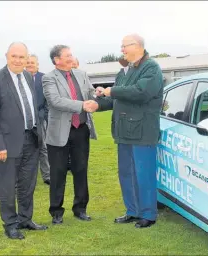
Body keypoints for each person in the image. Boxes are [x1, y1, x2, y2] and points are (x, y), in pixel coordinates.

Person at [94, 34, 164, 228]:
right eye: (122, 46)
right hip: (124, 131)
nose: (122, 49)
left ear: (138, 46)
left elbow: (141, 93)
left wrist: (111, 91)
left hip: (142, 131)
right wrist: (97, 104)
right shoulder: (124, 71)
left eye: (125, 46)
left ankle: (148, 214)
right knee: (126, 173)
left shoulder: (151, 68)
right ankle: (132, 211)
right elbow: (117, 98)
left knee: (144, 174)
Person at [0, 42, 47, 240]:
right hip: (7, 144)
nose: (19, 60)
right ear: (7, 56)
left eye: (22, 57)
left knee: (28, 184)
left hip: (31, 139)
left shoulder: (28, 76)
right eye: (15, 56)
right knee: (7, 185)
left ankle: (25, 219)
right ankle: (10, 223)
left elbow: (32, 107)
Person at [42, 45, 97, 225]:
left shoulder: (81, 74)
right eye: (67, 55)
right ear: (57, 60)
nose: (71, 57)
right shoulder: (48, 78)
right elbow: (55, 101)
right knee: (57, 173)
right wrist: (82, 105)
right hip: (59, 133)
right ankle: (56, 211)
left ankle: (80, 208)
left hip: (80, 129)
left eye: (71, 54)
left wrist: (97, 95)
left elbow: (90, 93)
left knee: (81, 170)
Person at [25, 54, 50, 185]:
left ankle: (47, 176)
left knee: (43, 147)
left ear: (37, 64)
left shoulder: (44, 78)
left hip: (40, 119)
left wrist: (44, 116)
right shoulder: (19, 78)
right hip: (23, 121)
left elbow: (48, 99)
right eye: (27, 62)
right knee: (27, 149)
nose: (29, 64)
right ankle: (29, 177)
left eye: (32, 62)